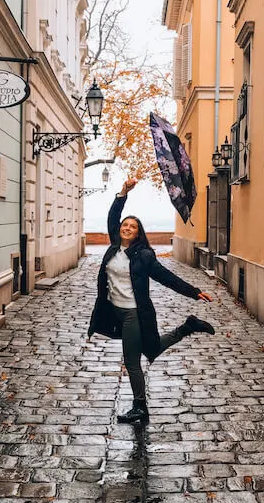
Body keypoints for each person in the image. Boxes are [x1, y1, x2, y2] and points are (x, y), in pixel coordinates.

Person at [88, 178, 215, 424]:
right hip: (115, 311)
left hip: (134, 313)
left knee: (132, 361)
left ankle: (140, 408)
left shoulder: (144, 255)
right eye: (125, 225)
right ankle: (187, 327)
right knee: (152, 349)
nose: (126, 228)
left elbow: (166, 277)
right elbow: (113, 216)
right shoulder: (114, 247)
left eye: (132, 227)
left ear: (138, 233)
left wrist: (193, 291)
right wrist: (123, 193)